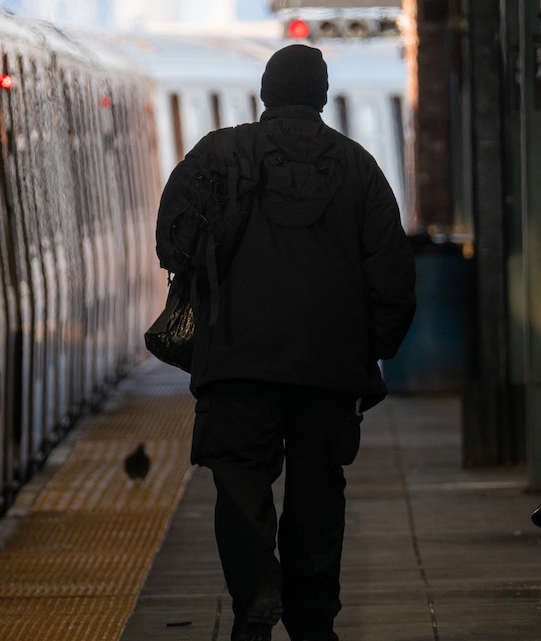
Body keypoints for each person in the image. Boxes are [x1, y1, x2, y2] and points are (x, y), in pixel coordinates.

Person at [155, 44, 416, 641]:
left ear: (266, 93)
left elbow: (174, 242)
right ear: (322, 97)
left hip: (236, 362)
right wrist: (369, 352)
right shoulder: (358, 168)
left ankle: (255, 594)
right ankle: (313, 618)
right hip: (327, 371)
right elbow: (395, 278)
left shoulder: (217, 155)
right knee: (318, 493)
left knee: (240, 482)